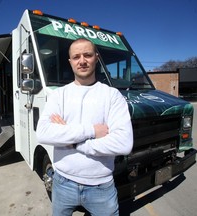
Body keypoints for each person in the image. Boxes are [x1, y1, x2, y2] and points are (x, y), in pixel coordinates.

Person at [36, 38, 133, 216]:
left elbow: (123, 143)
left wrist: (73, 141)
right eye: (76, 56)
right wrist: (91, 131)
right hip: (62, 182)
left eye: (87, 55)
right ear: (70, 61)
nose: (82, 61)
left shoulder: (112, 96)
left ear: (96, 57)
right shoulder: (58, 96)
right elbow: (42, 133)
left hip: (101, 187)